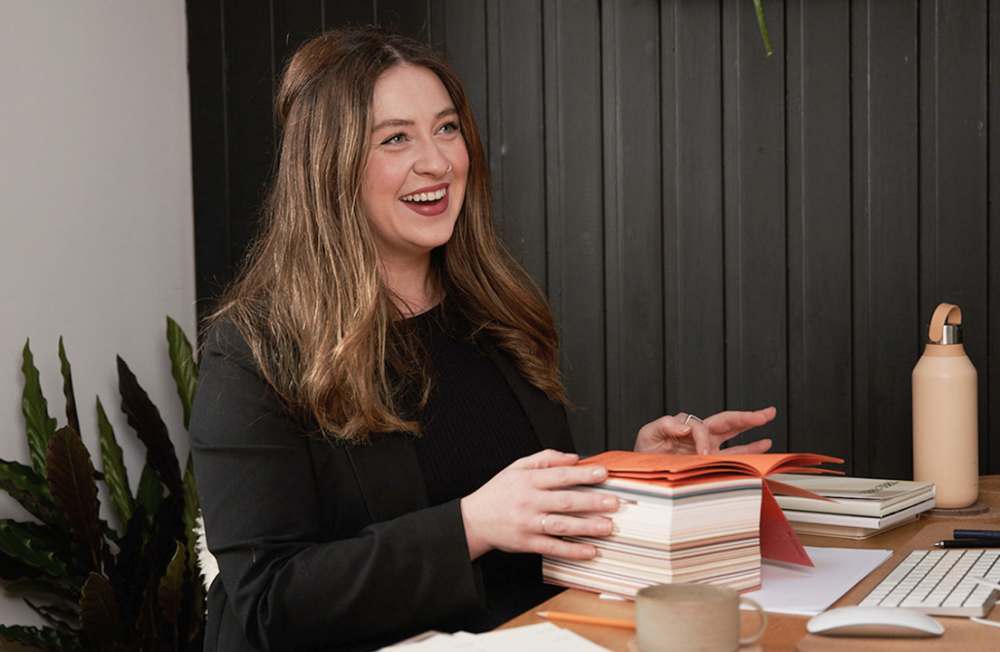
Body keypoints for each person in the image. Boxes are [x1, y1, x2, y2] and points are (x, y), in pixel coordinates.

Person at [190, 26, 776, 652]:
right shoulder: (252, 350)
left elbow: (527, 528)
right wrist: (470, 525)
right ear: (327, 169)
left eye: (446, 128)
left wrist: (637, 479)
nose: (438, 162)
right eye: (395, 139)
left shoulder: (498, 313)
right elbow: (265, 606)